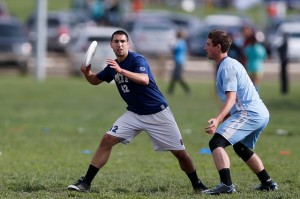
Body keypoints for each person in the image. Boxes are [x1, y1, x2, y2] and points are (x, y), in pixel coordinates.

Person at [67, 30, 207, 193]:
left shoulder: (136, 59)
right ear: (111, 45)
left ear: (128, 44)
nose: (119, 44)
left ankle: (197, 184)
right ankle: (85, 183)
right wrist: (87, 73)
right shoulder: (113, 66)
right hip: (134, 114)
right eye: (116, 42)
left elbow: (144, 79)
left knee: (180, 154)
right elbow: (95, 81)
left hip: (158, 113)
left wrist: (121, 71)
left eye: (122, 41)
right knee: (107, 140)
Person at [202, 30, 278, 195]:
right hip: (260, 113)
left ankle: (226, 185)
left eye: (208, 44)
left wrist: (217, 119)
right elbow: (233, 102)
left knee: (216, 143)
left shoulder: (227, 67)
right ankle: (268, 182)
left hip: (249, 113)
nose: (204, 48)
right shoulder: (230, 63)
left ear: (218, 47)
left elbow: (231, 99)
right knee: (241, 147)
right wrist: (225, 119)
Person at [167, 29, 191, 95]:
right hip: (180, 61)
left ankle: (187, 90)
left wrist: (170, 44)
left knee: (178, 77)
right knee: (174, 77)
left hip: (178, 61)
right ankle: (170, 91)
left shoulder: (179, 42)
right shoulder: (183, 42)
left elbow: (174, 49)